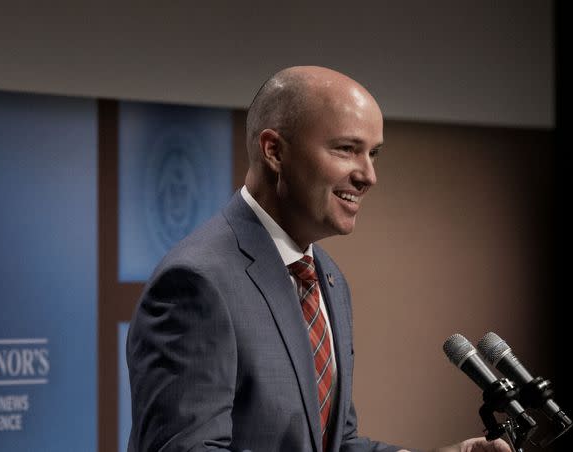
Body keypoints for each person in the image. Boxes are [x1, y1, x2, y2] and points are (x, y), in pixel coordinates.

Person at [126, 65, 511, 452]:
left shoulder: (327, 278)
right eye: (347, 149)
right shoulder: (197, 282)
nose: (369, 175)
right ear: (274, 150)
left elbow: (336, 444)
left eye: (373, 154)